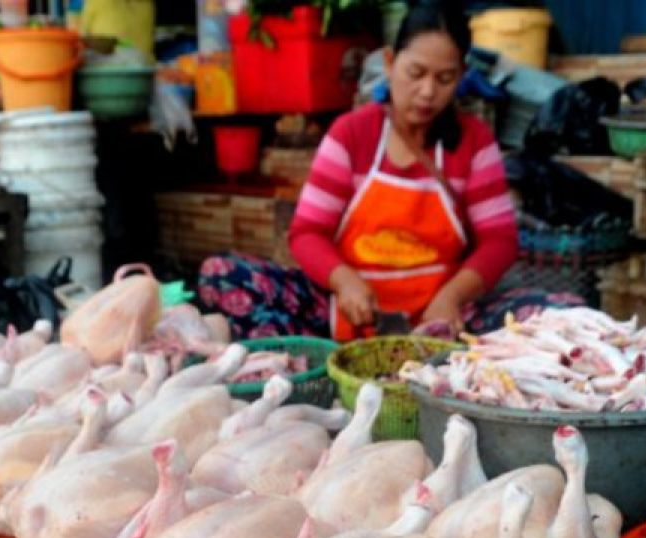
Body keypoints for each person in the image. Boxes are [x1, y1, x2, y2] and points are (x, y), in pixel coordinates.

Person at [198, 2, 584, 341]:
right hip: (346, 313)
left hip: (446, 318)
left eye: (445, 78)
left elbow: (498, 241)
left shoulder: (473, 141)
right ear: (388, 62)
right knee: (222, 275)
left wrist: (450, 298)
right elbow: (307, 233)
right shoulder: (352, 133)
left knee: (565, 312)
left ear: (462, 76)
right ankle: (320, 358)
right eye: (415, 73)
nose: (428, 92)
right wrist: (344, 281)